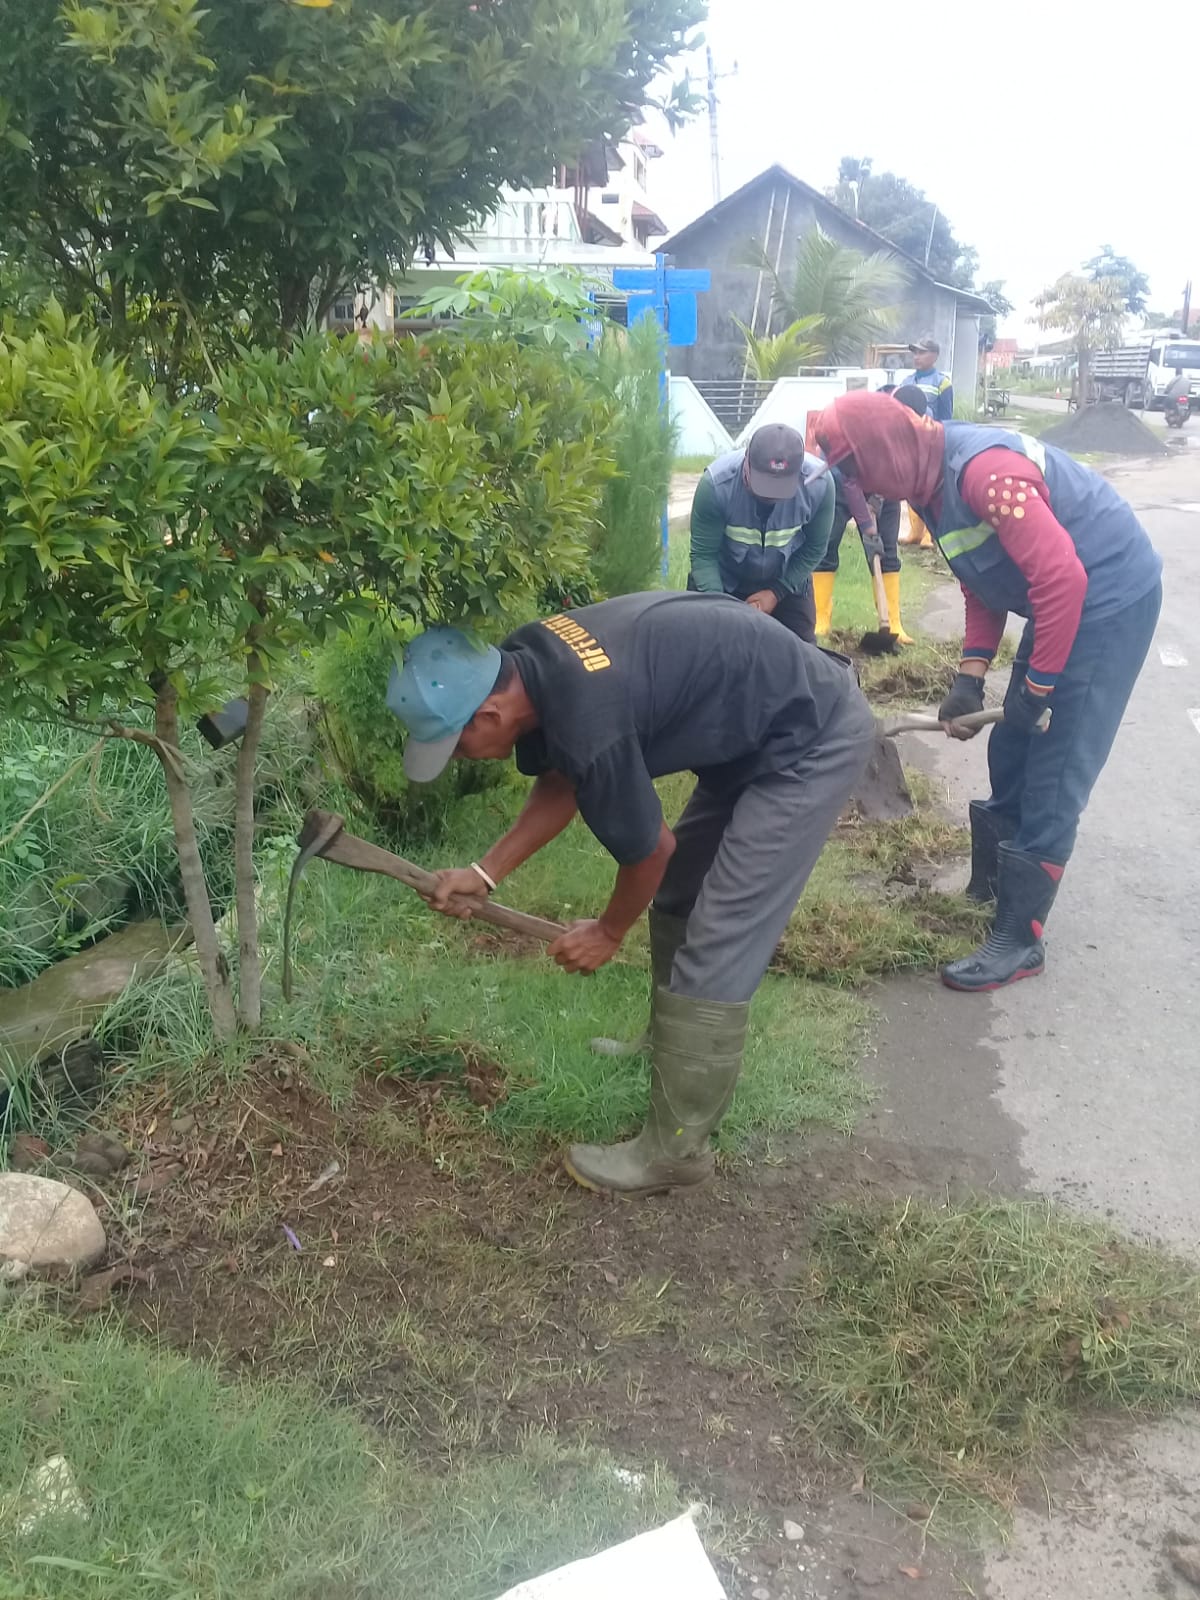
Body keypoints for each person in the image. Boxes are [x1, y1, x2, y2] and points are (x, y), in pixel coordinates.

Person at [387, 592, 875, 1195]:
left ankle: (674, 1152)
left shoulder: (588, 712)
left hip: (808, 739)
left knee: (717, 936)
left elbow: (649, 851)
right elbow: (562, 777)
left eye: (456, 744)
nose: (460, 758)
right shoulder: (529, 661)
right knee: (680, 897)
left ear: (489, 715)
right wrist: (486, 873)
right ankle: (669, 1049)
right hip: (754, 730)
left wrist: (609, 931)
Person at [812, 390, 1162, 992]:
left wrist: (1039, 685)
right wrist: (969, 680)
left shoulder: (985, 474)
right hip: (1063, 598)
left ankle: (1019, 940)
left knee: (1055, 766)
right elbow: (983, 581)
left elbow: (1062, 580)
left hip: (1106, 600)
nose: (856, 485)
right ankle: (994, 889)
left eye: (853, 467)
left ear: (883, 447)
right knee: (1010, 747)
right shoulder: (929, 483)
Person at [688, 422, 835, 642]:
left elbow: (815, 548)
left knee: (801, 658)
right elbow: (704, 556)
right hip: (722, 581)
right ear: (746, 461)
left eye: (780, 488)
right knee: (705, 651)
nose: (770, 496)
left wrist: (776, 592)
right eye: (764, 485)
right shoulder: (716, 486)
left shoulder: (820, 485)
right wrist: (721, 607)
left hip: (787, 580)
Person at [813, 384, 926, 644]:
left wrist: (878, 499)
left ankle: (893, 623)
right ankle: (820, 618)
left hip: (882, 487)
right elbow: (851, 480)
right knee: (826, 545)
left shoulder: (915, 429)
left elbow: (901, 470)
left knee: (885, 549)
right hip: (840, 479)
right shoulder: (867, 421)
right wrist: (866, 524)